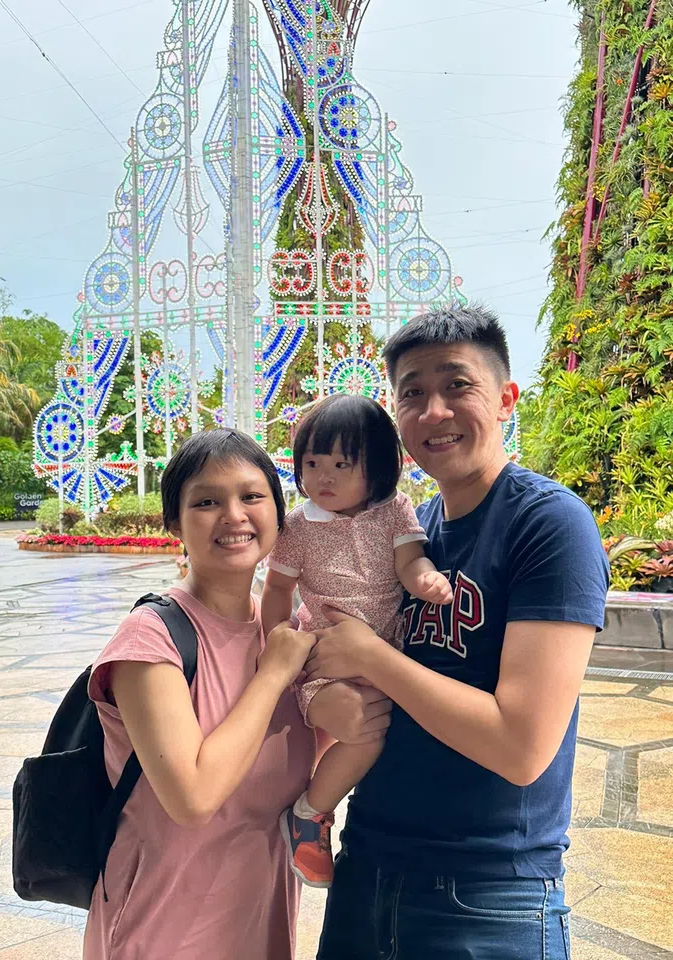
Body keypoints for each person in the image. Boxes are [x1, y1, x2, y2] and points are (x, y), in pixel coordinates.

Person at [304, 306, 610, 960]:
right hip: (367, 871)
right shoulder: (410, 536)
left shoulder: (549, 526)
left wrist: (374, 660)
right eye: (412, 392)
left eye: (457, 386)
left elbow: (521, 745)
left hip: (488, 894)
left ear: (504, 400)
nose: (434, 409)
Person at [83, 429, 371, 960]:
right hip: (163, 929)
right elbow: (192, 798)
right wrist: (272, 674)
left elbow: (338, 746)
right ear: (175, 523)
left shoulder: (294, 631)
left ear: (280, 515)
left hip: (261, 926)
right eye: (207, 501)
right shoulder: (152, 638)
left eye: (252, 496)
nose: (234, 515)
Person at [262, 395, 452, 888]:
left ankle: (312, 810)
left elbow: (411, 560)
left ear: (379, 468)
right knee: (360, 727)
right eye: (312, 463)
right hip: (321, 663)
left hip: (384, 655)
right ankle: (311, 815)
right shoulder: (297, 526)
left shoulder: (394, 512)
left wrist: (424, 579)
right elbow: (278, 590)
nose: (324, 477)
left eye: (343, 464)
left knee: (379, 726)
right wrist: (276, 648)